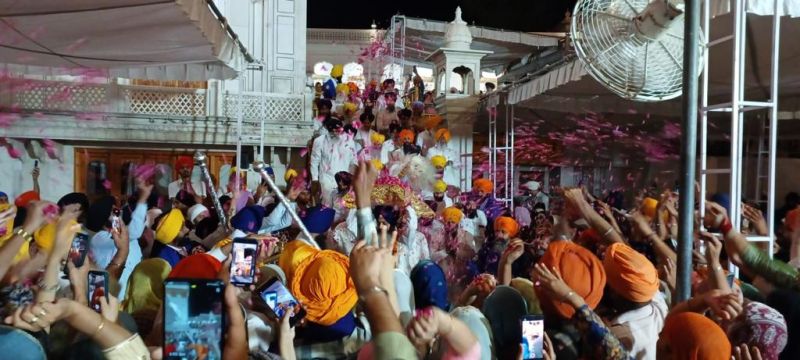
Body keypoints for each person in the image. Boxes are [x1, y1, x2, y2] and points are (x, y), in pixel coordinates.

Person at [310, 117, 357, 207]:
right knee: (327, 205)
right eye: (333, 131)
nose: (335, 133)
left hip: (344, 179)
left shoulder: (349, 141)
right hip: (327, 178)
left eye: (337, 130)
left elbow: (354, 161)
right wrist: (315, 179)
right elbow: (314, 162)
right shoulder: (319, 141)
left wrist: (352, 179)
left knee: (343, 207)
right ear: (328, 129)